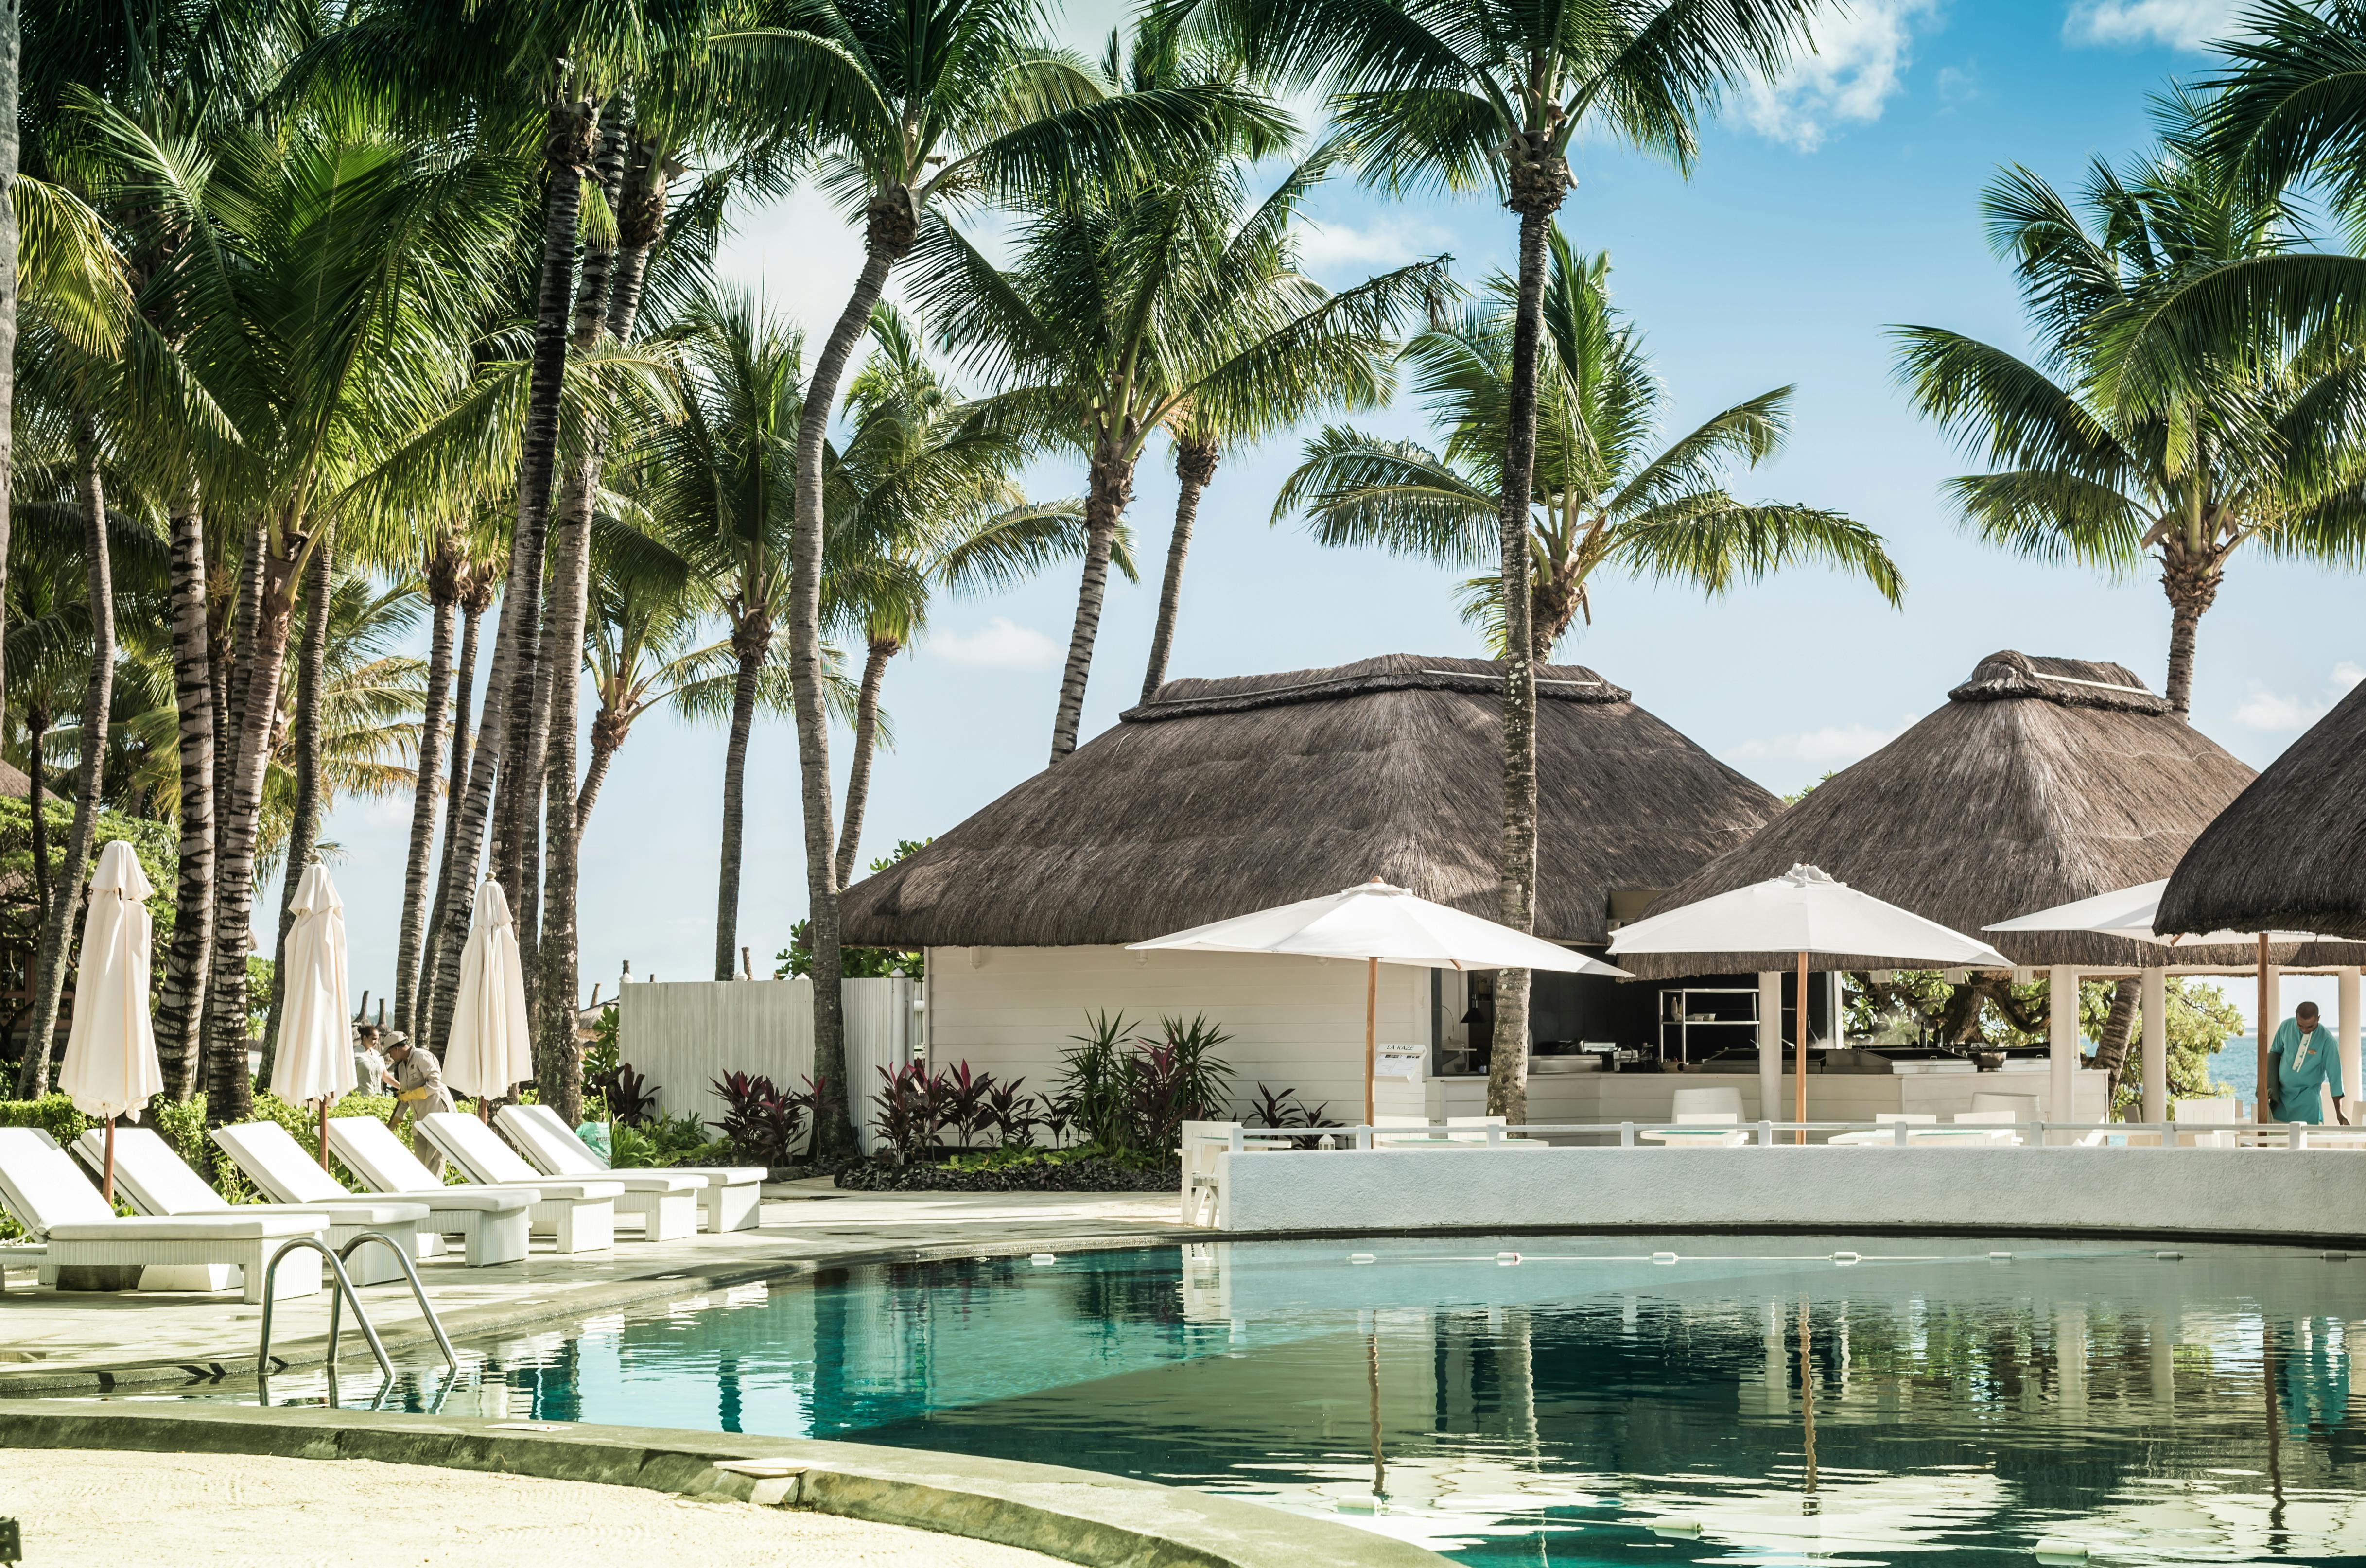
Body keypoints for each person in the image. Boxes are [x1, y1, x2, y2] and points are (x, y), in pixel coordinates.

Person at [381, 1034, 456, 1176]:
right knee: (421, 1164)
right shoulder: (401, 1067)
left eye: (390, 1053)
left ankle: (434, 1190)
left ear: (397, 1049)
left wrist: (411, 1095)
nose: (390, 1057)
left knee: (435, 1161)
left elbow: (436, 1083)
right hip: (421, 1119)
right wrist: (394, 1121)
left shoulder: (422, 1057)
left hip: (438, 1113)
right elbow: (404, 1097)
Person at [2268, 1001, 2348, 1126]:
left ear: (2318, 1019)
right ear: (2296, 1016)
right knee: (2277, 1137)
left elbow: (2335, 1078)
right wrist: (2269, 1087)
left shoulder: (2328, 1041)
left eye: (2310, 1027)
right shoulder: (2286, 1027)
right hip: (2281, 1099)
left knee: (2305, 1137)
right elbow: (2274, 1054)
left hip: (2308, 1101)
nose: (2305, 1030)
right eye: (2300, 1026)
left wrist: (2339, 1112)